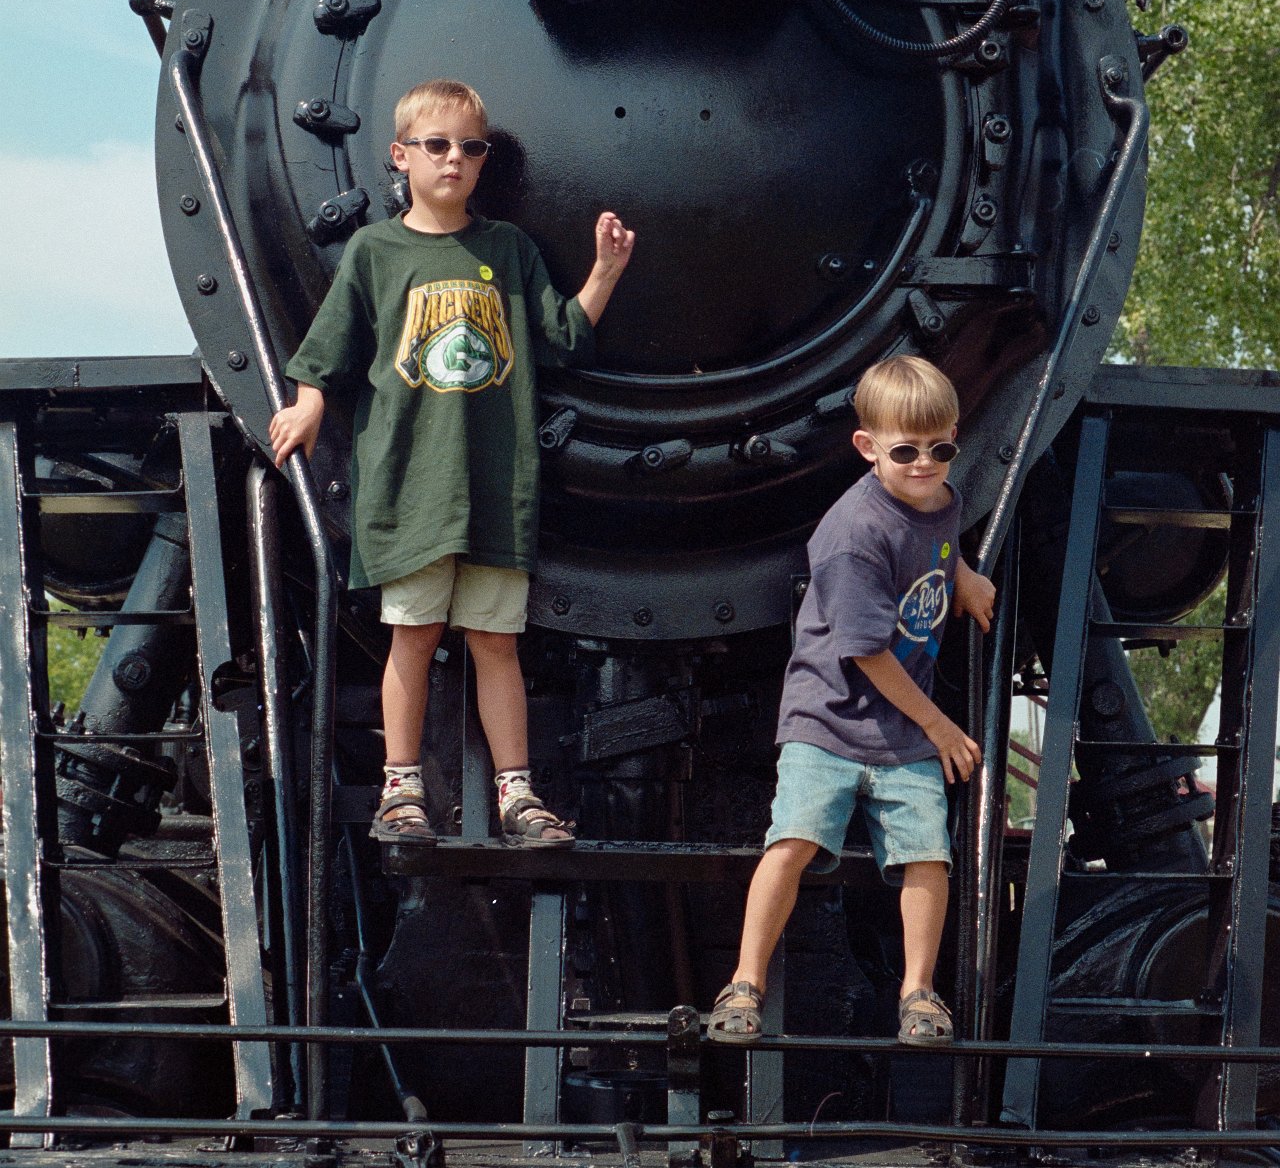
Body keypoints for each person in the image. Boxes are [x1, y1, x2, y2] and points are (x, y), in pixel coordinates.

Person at [270, 78, 634, 846]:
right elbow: (330, 345)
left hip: (495, 486)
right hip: (411, 486)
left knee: (497, 643)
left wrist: (604, 271)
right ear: (400, 156)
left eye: (471, 148)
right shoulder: (375, 251)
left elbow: (562, 337)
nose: (454, 159)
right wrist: (307, 403)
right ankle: (401, 789)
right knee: (414, 635)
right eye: (436, 145)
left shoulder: (509, 249)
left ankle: (517, 795)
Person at [707, 354, 996, 1045]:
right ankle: (745, 981)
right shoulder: (852, 534)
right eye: (905, 451)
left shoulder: (941, 498)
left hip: (899, 729)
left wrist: (961, 571)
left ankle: (919, 992)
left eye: (940, 449)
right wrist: (940, 726)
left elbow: (933, 540)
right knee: (793, 841)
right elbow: (868, 654)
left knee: (929, 855)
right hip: (829, 720)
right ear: (867, 447)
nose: (924, 464)